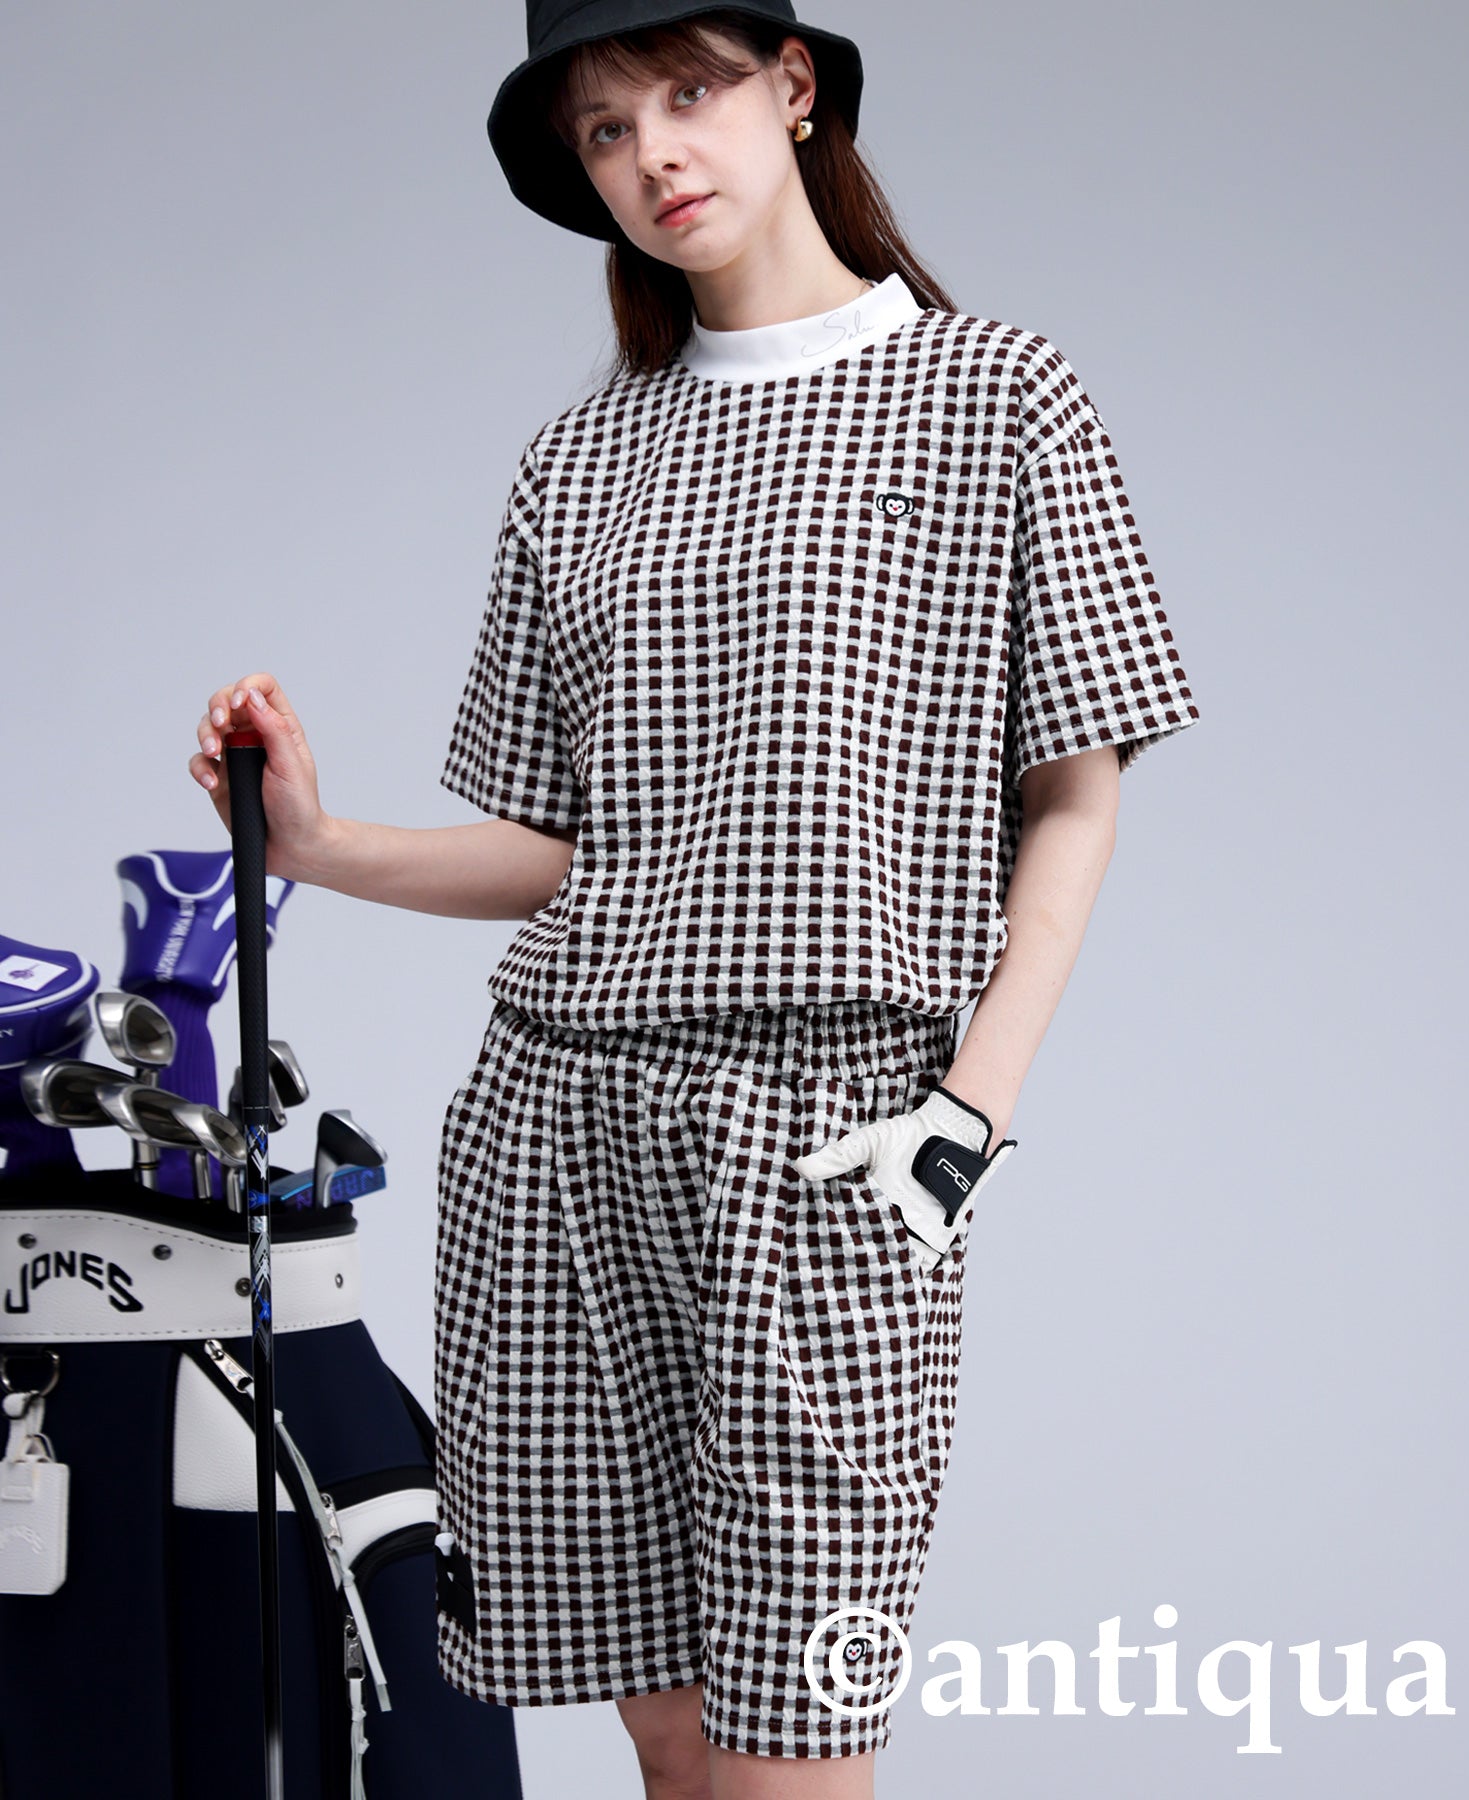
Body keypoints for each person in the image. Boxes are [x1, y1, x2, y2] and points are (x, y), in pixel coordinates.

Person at [188, 3, 1202, 1794]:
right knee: (668, 1748)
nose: (653, 152)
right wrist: (318, 846)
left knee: (793, 1740)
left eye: (689, 92)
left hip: (829, 1137)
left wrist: (969, 1113)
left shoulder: (997, 392)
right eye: (603, 130)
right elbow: (560, 850)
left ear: (792, 90)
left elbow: (1074, 793)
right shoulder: (577, 461)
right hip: (557, 1131)